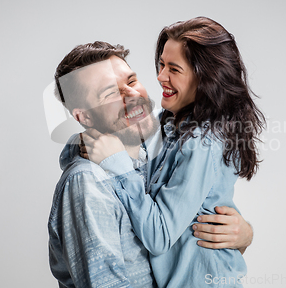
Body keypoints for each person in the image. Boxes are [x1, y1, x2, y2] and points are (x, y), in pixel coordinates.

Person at [48, 41, 254, 288]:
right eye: (111, 93)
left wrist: (242, 236)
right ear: (85, 117)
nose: (132, 96)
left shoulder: (154, 154)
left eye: (132, 81)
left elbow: (190, 249)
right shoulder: (89, 183)